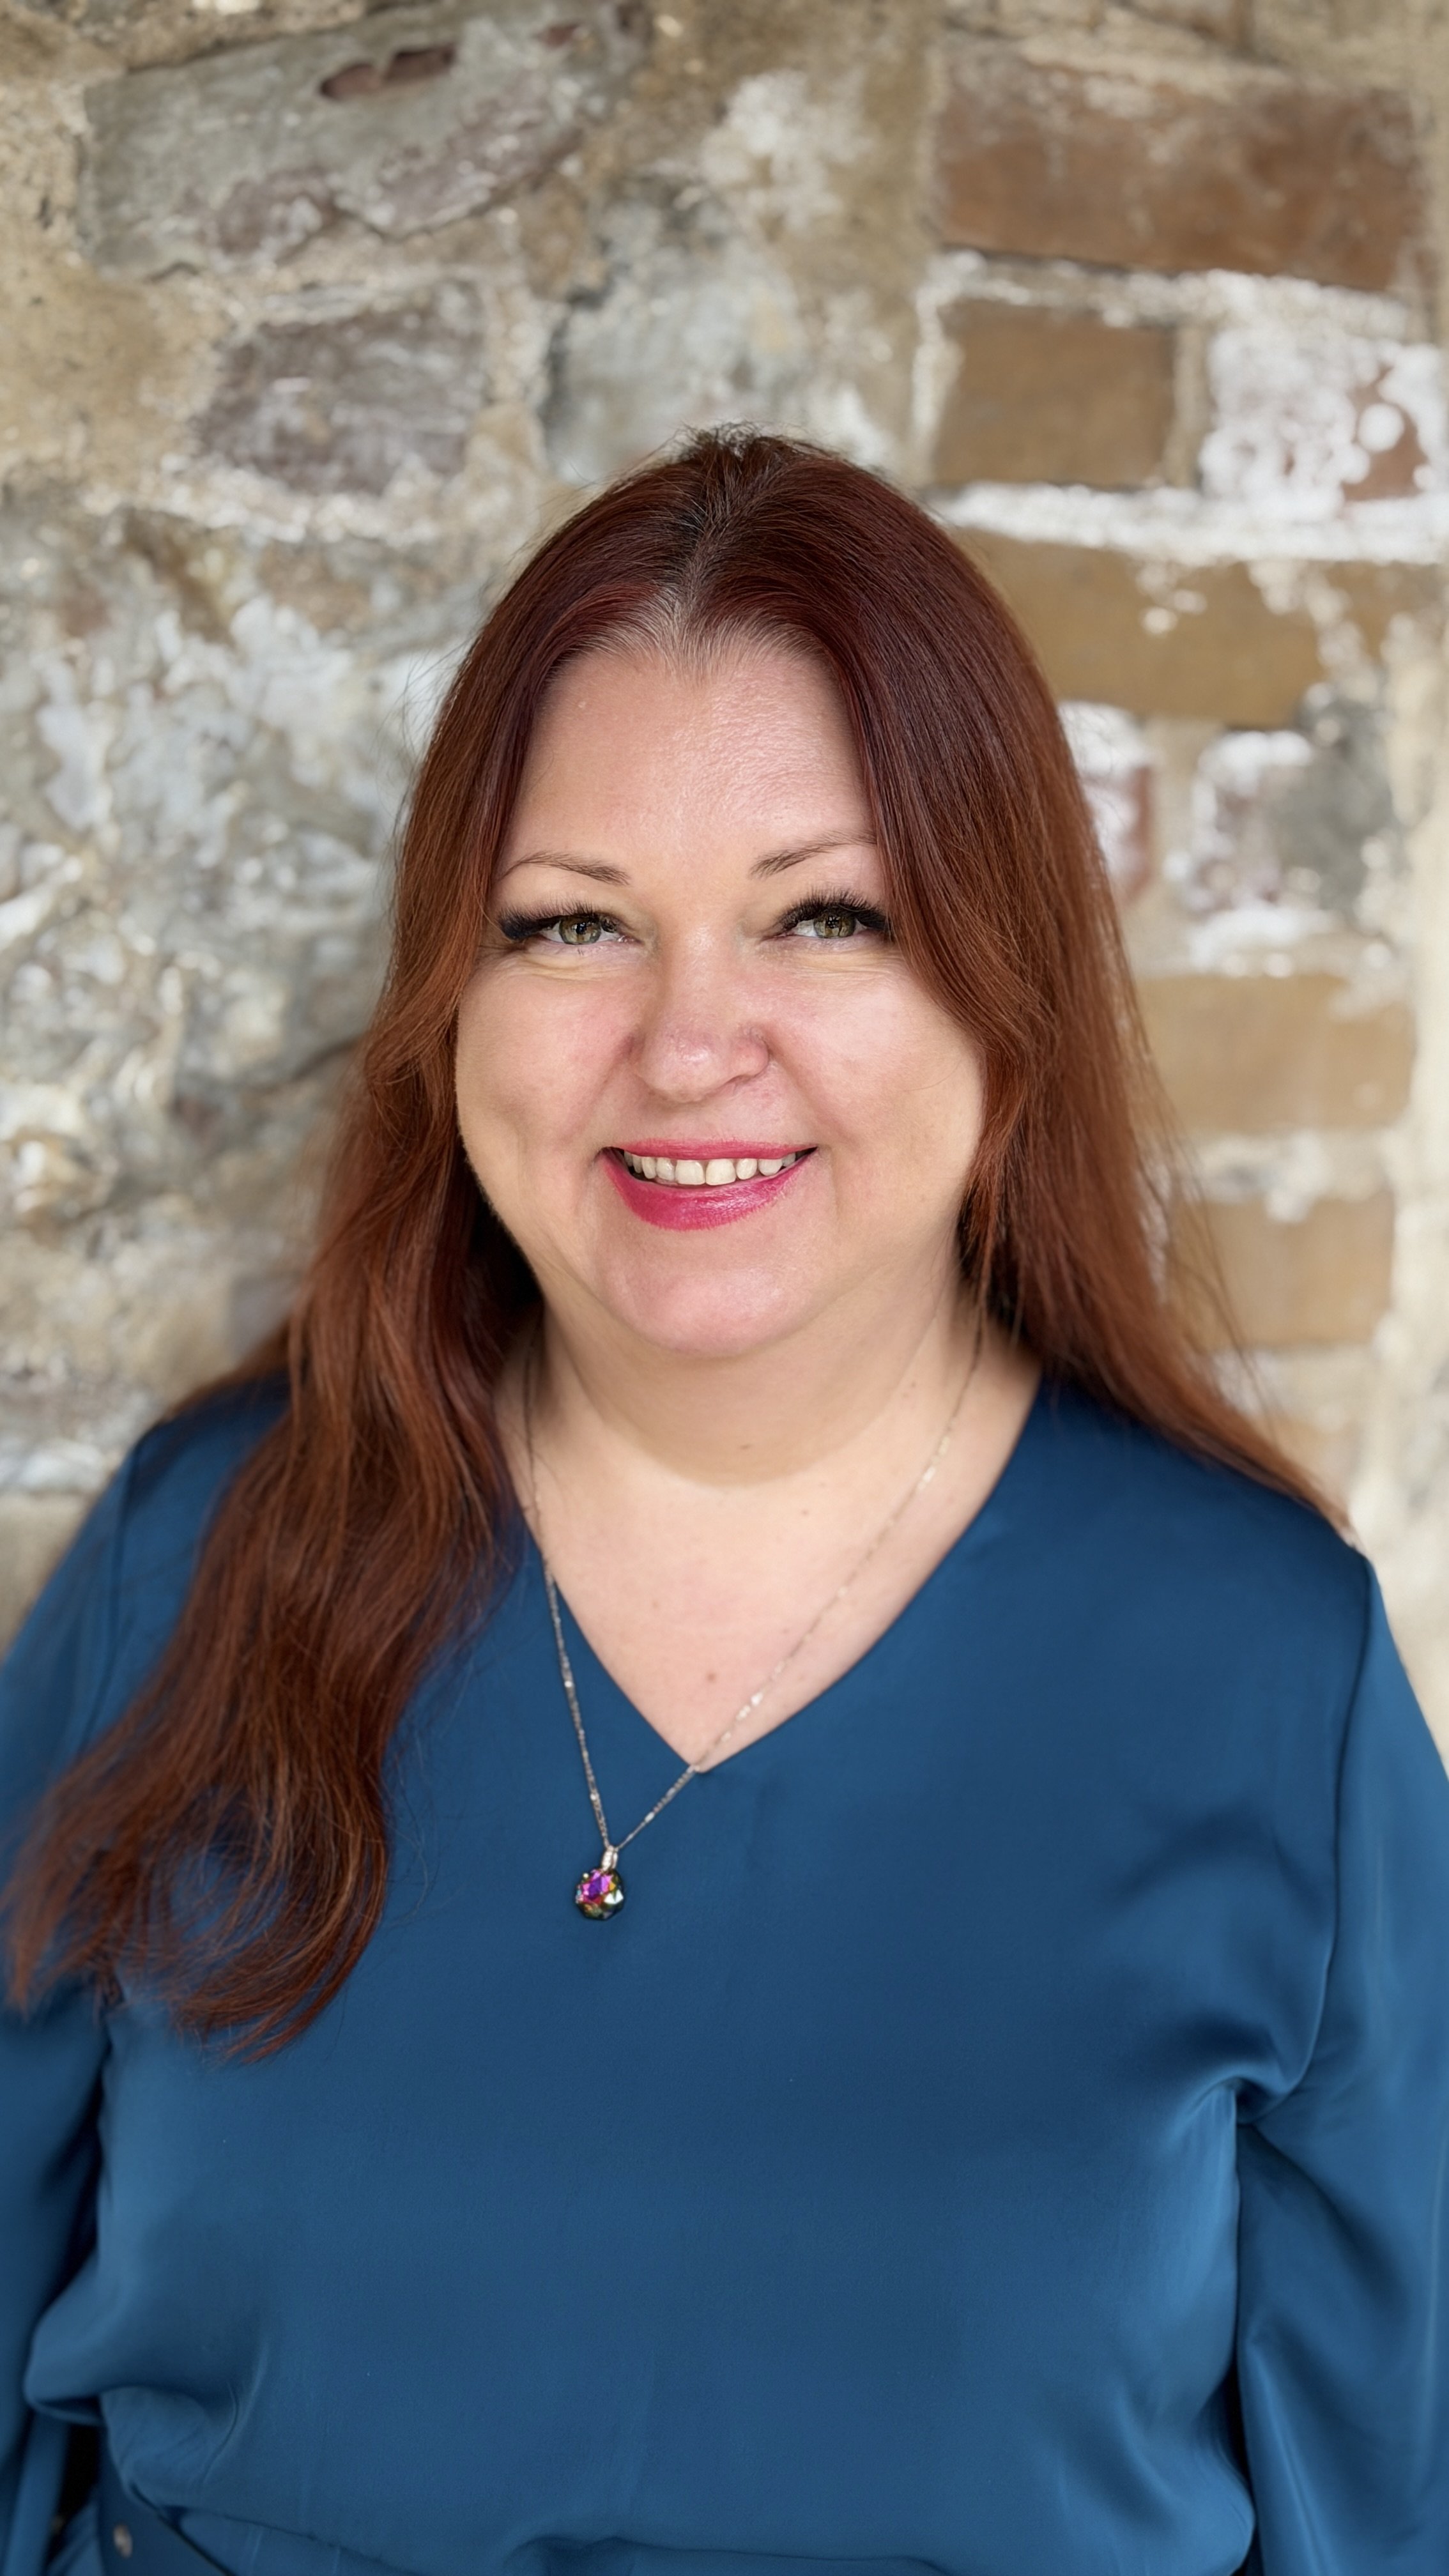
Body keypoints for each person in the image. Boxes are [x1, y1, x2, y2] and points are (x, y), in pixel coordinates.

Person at [2, 429, 1447, 2576]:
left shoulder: (1260, 1671)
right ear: (451, 1006)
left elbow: (1386, 2515)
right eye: (574, 924)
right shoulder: (189, 1561)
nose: (689, 1046)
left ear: (1004, 996)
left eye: (825, 917)